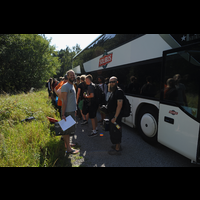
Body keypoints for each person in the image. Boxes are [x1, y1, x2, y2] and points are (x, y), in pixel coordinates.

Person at [61, 70, 79, 154]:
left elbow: (73, 99)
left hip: (72, 111)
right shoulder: (65, 86)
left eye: (73, 75)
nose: (72, 76)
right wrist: (63, 114)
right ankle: (68, 149)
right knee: (66, 130)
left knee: (69, 130)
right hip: (67, 111)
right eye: (70, 75)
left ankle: (67, 144)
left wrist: (75, 109)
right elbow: (64, 101)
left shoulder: (72, 85)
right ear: (67, 76)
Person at [107, 76, 124, 155]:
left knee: (116, 131)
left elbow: (119, 106)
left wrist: (115, 117)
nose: (111, 83)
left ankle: (117, 149)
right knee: (114, 130)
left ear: (117, 82)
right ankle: (117, 146)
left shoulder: (119, 91)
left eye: (113, 81)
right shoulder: (113, 91)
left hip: (116, 116)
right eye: (110, 82)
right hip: (112, 115)